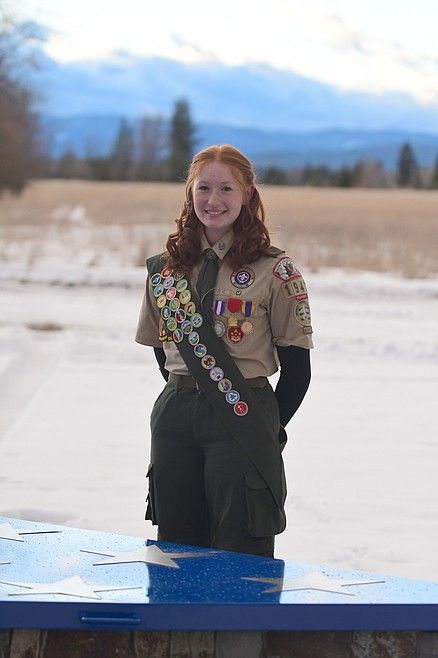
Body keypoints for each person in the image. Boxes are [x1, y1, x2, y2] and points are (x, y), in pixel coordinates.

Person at [135, 144, 313, 557]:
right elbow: (164, 354)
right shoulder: (166, 270)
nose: (213, 201)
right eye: (204, 188)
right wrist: (194, 393)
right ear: (190, 192)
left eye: (227, 189)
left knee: (241, 550)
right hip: (175, 416)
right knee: (176, 551)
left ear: (248, 193)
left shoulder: (275, 270)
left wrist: (263, 424)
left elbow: (298, 371)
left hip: (244, 413)